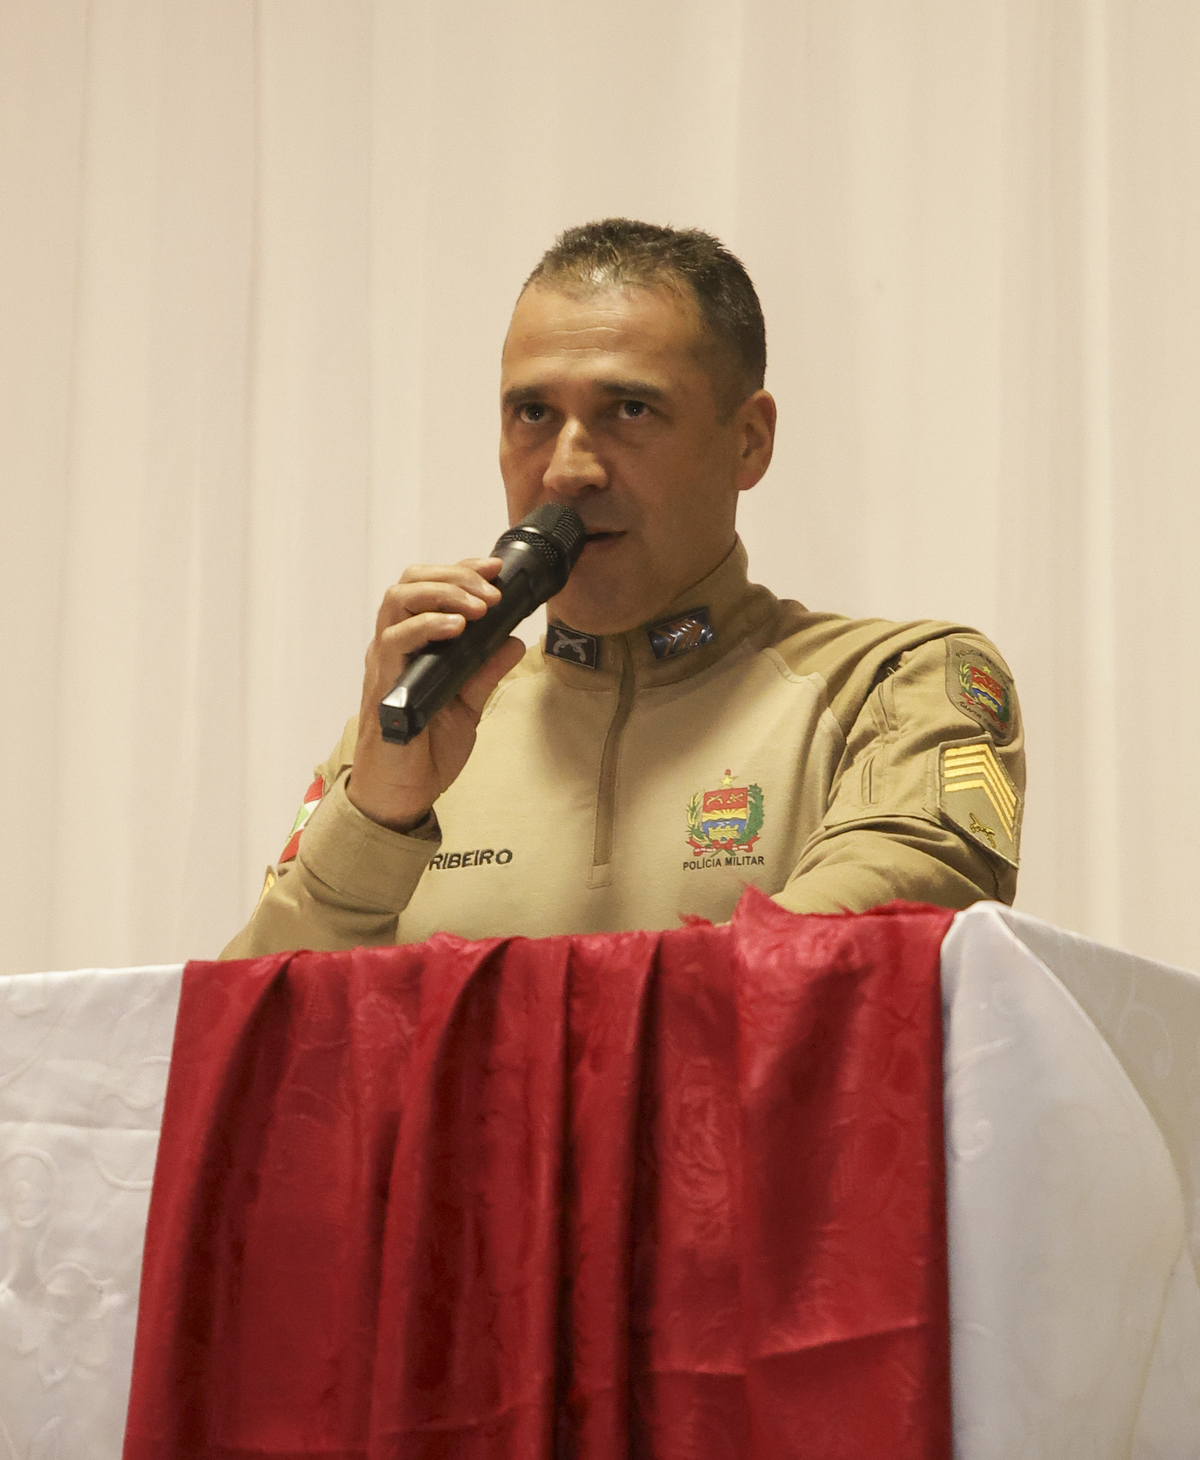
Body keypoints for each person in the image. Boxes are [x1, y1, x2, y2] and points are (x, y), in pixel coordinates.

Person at [221, 220, 1024, 960]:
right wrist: (376, 821)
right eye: (533, 413)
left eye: (630, 410)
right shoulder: (415, 723)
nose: (568, 470)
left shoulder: (895, 684)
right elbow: (242, 1040)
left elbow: (853, 970)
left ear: (749, 441)